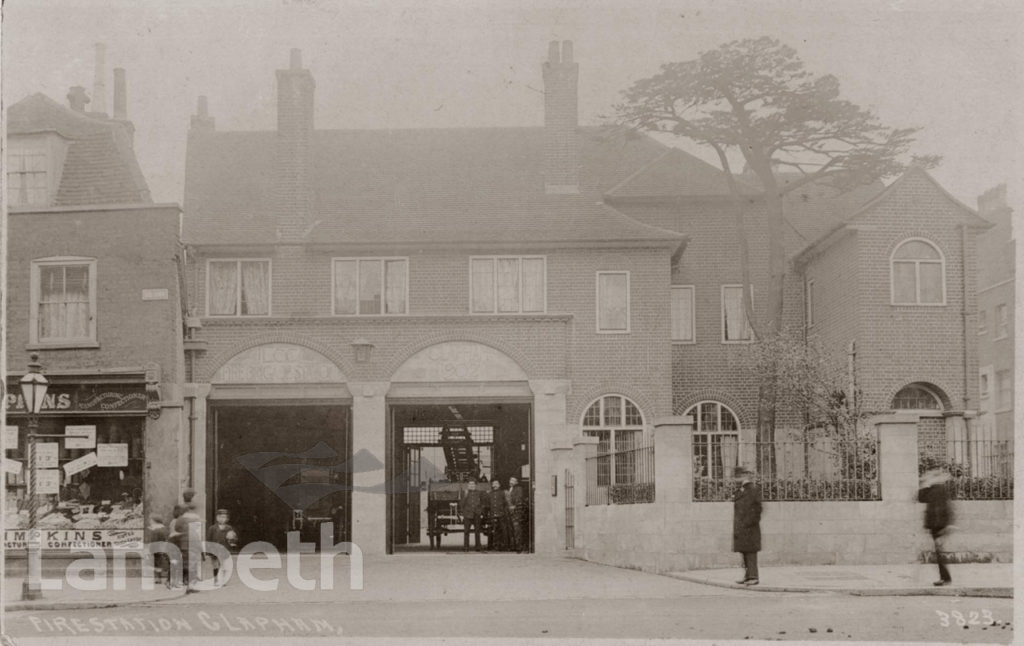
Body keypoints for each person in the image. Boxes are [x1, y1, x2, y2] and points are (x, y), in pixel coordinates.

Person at [918, 468, 953, 586]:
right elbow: (921, 498)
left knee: (939, 552)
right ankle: (945, 578)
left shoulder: (940, 489)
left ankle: (946, 578)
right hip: (936, 526)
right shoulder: (933, 489)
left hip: (939, 526)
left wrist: (943, 528)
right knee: (939, 553)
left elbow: (944, 509)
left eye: (931, 476)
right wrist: (924, 483)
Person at [732, 467, 762, 586]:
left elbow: (757, 509)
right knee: (745, 551)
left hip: (749, 527)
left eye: (738, 476)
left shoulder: (752, 489)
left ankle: (754, 576)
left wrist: (748, 523)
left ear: (744, 476)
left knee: (750, 552)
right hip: (742, 527)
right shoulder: (742, 490)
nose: (735, 479)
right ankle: (748, 576)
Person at [206, 508, 239, 582]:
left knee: (224, 565)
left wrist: (232, 541)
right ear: (217, 518)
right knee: (215, 565)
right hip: (214, 549)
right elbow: (208, 539)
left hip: (224, 549)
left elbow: (232, 539)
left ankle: (223, 579)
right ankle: (216, 579)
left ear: (227, 518)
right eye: (220, 517)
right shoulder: (212, 528)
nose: (222, 519)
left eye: (224, 517)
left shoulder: (229, 528)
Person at [460, 480, 487, 551]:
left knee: (477, 531)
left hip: (476, 514)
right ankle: (466, 547)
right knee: (466, 531)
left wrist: (480, 512)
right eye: (470, 484)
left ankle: (478, 546)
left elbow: (483, 503)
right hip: (468, 514)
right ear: (468, 485)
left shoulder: (479, 493)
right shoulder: (465, 493)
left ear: (475, 485)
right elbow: (461, 504)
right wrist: (464, 512)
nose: (471, 485)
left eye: (473, 484)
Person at [485, 478, 509, 551]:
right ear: (492, 485)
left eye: (496, 484)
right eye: (493, 484)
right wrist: (488, 514)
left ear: (499, 485)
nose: (495, 485)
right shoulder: (489, 494)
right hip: (492, 515)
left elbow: (505, 504)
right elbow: (487, 505)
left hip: (501, 514)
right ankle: (491, 546)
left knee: (503, 530)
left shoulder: (502, 493)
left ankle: (504, 546)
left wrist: (503, 512)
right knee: (492, 531)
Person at [506, 476, 527, 553]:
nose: (511, 481)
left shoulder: (519, 489)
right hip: (510, 512)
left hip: (516, 512)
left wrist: (514, 506)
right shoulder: (510, 489)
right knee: (512, 530)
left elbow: (519, 499)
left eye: (513, 480)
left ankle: (519, 547)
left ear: (517, 482)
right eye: (510, 480)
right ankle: (513, 546)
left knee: (517, 530)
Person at [147, 514, 170, 585]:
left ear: (154, 521)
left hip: (157, 549)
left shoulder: (155, 530)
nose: (150, 521)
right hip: (166, 548)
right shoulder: (165, 529)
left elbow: (153, 541)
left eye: (151, 520)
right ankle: (168, 579)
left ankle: (158, 579)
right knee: (166, 564)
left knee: (157, 564)